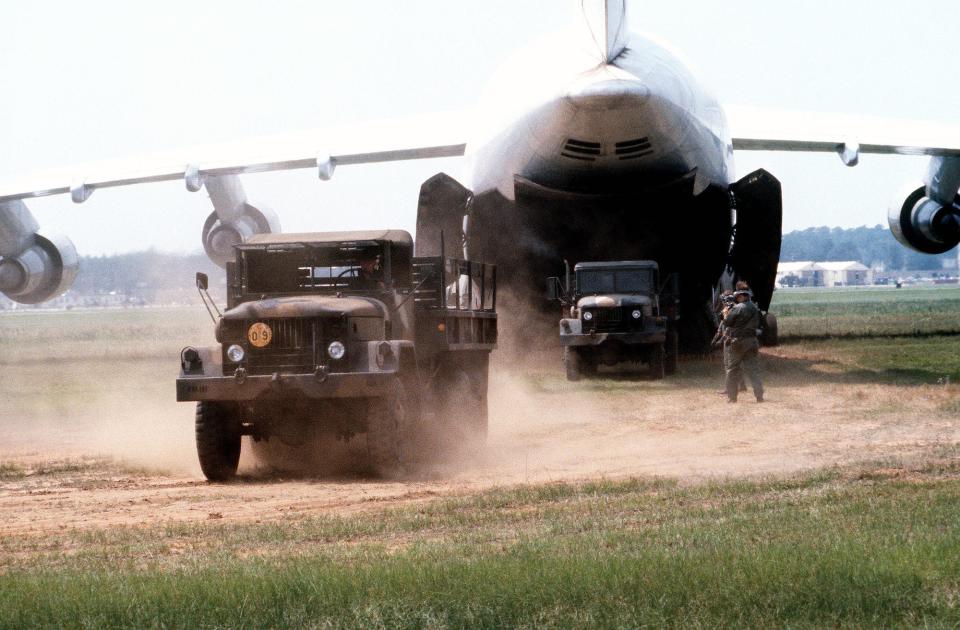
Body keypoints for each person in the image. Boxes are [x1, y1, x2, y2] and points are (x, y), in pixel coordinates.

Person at [722, 287, 764, 403]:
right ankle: (759, 396)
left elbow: (727, 322)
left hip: (738, 341)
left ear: (742, 296)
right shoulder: (754, 308)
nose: (736, 299)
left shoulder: (738, 308)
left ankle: (732, 397)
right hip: (752, 341)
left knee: (732, 369)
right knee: (753, 369)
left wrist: (726, 314)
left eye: (738, 297)